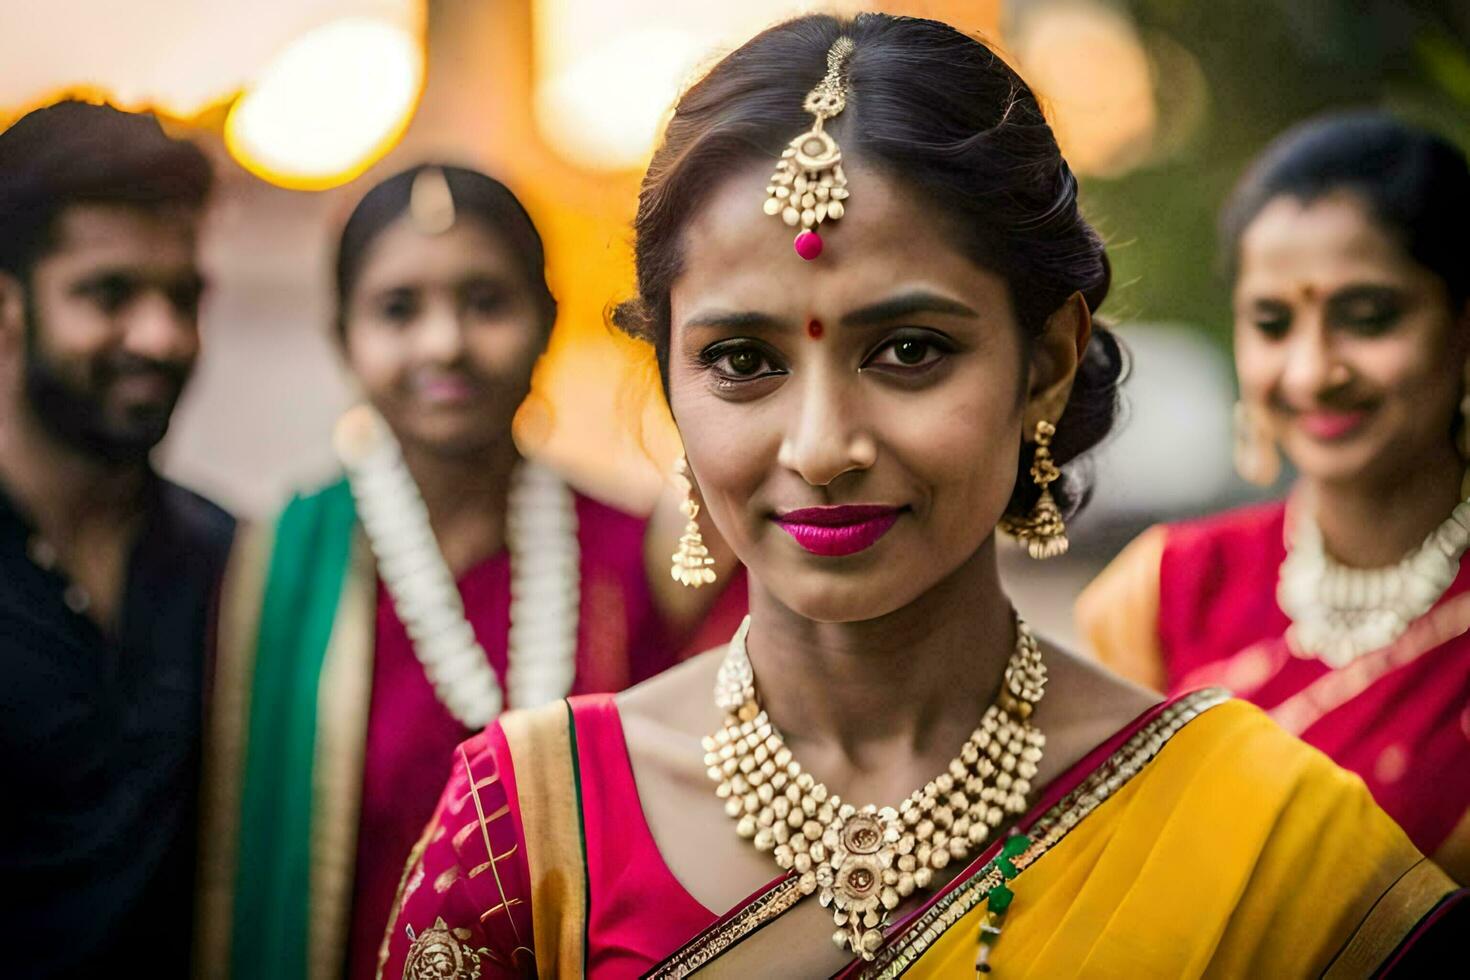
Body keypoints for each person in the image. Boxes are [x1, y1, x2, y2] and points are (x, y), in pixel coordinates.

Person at [379, 17, 1465, 978]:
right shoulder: (529, 825)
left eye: (908, 348)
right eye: (744, 360)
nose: (822, 445)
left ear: (1045, 363)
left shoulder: (1260, 825)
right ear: (667, 373)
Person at [194, 164, 740, 979]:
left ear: (547, 321)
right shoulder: (274, 565)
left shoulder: (638, 558)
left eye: (485, 302)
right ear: (343, 334)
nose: (444, 341)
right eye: (398, 309)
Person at [1077, 113, 1470, 883]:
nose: (1311, 371)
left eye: (1367, 318)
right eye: (1272, 323)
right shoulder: (1162, 593)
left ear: (1463, 328)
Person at [0, 101, 234, 975]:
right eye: (109, 294)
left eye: (182, 297)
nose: (161, 337)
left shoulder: (229, 566)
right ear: (8, 300)